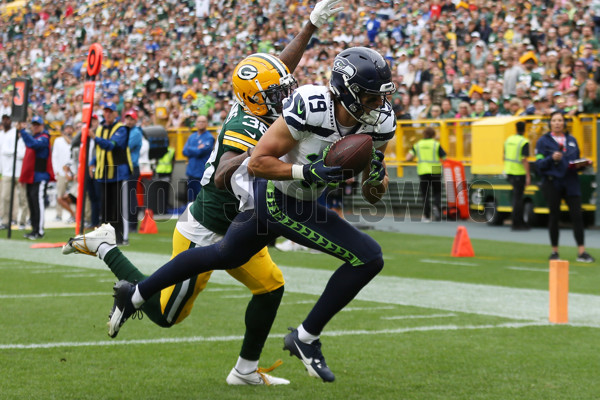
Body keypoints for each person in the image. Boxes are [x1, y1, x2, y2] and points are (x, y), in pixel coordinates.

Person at [62, 0, 343, 386]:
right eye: (278, 92)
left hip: (241, 226)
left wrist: (309, 25)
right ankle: (105, 246)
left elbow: (279, 67)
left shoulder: (258, 101)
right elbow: (223, 174)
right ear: (258, 99)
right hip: (207, 230)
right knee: (166, 316)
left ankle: (244, 371)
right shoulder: (247, 125)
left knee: (271, 287)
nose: (286, 95)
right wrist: (255, 156)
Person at [103, 46, 396, 383]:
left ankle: (135, 294)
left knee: (221, 254)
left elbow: (372, 194)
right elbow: (257, 162)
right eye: (372, 97)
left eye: (382, 96)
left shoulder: (381, 122)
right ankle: (305, 337)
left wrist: (376, 176)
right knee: (369, 257)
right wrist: (306, 173)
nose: (380, 105)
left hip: (299, 199)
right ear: (348, 90)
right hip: (278, 195)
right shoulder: (311, 106)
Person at [534, 111, 594, 262]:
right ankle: (554, 252)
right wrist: (551, 158)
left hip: (571, 181)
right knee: (554, 216)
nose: (557, 123)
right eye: (554, 120)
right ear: (550, 123)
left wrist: (584, 164)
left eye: (560, 120)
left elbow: (576, 162)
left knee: (577, 216)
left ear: (564, 123)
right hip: (552, 182)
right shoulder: (543, 141)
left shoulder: (572, 140)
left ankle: (582, 252)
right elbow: (539, 165)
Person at [89, 102, 132, 244]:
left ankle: (122, 237)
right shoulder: (101, 128)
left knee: (119, 208)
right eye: (105, 111)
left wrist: (95, 137)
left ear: (115, 114)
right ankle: (106, 237)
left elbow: (111, 146)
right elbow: (101, 151)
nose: (107, 114)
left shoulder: (121, 129)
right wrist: (92, 162)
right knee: (105, 208)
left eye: (110, 111)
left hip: (119, 173)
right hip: (104, 173)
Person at [18, 115, 55, 239]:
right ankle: (34, 229)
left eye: (37, 125)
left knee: (38, 203)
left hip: (40, 176)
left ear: (42, 126)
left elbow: (33, 144)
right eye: (33, 125)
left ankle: (39, 230)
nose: (35, 127)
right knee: (32, 202)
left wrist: (22, 131)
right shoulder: (36, 137)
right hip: (32, 176)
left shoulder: (44, 138)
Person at [405, 127, 446, 222]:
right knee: (437, 192)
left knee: (425, 194)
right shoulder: (436, 144)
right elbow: (444, 157)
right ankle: (436, 207)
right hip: (435, 170)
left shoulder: (418, 145)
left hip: (423, 170)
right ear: (433, 135)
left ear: (423, 134)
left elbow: (408, 157)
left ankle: (426, 216)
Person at [0, 113, 27, 230]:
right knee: (5, 197)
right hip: (6, 171)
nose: (6, 121)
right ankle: (5, 220)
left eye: (7, 119)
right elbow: (3, 152)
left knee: (23, 198)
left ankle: (22, 220)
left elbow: (21, 152)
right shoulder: (1, 134)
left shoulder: (16, 133)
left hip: (19, 171)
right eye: (4, 119)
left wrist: (9, 152)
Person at [504, 121, 531, 231]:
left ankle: (518, 222)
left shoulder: (509, 140)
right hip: (519, 172)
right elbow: (524, 159)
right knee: (518, 199)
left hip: (509, 171)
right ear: (524, 129)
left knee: (516, 197)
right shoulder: (524, 141)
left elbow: (504, 155)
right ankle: (517, 223)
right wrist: (528, 175)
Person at [182, 115, 214, 202]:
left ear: (207, 123)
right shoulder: (192, 136)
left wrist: (191, 148)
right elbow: (184, 151)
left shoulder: (209, 137)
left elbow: (200, 152)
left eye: (203, 122)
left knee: (201, 199)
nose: (201, 123)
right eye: (199, 121)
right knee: (191, 199)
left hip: (202, 172)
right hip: (191, 172)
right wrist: (196, 148)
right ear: (196, 123)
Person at [52, 123, 74, 222]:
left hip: (72, 172)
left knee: (71, 195)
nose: (69, 130)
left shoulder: (75, 140)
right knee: (59, 195)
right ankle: (58, 214)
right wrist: (56, 170)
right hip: (61, 172)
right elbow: (54, 157)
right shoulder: (58, 141)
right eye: (67, 128)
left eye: (70, 128)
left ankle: (72, 214)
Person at [124, 110, 142, 233]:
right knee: (127, 196)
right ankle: (128, 222)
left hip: (132, 167)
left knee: (130, 196)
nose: (129, 121)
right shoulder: (128, 131)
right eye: (127, 119)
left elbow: (125, 147)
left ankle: (132, 223)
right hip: (126, 167)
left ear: (135, 121)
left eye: (131, 119)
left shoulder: (135, 132)